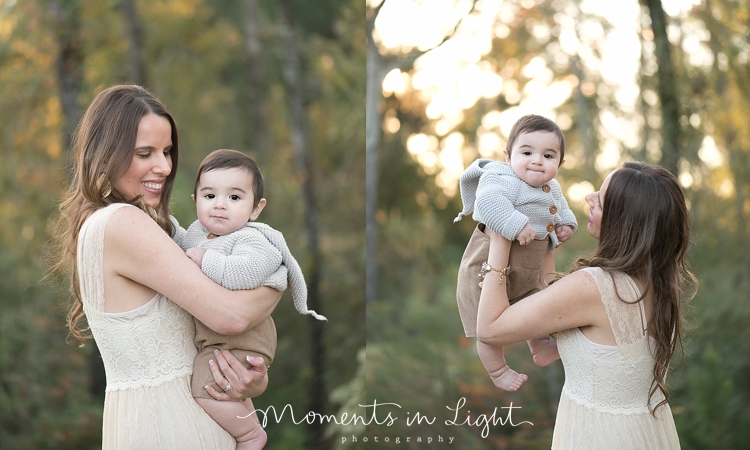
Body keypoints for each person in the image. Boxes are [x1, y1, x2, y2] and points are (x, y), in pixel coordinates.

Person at [50, 84, 284, 449]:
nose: (164, 166)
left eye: (167, 151)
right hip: (163, 426)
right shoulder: (120, 222)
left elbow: (220, 332)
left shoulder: (163, 228)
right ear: (105, 153)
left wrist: (248, 374)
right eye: (145, 153)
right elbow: (231, 316)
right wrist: (278, 276)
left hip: (186, 419)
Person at [476, 161, 693, 449]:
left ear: (622, 221)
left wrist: (500, 236)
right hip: (645, 435)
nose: (589, 197)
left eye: (601, 200)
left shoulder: (594, 286)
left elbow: (490, 330)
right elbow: (550, 302)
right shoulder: (660, 285)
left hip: (598, 438)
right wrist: (545, 235)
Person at [172, 149, 326, 449]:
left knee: (204, 389)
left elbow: (250, 272)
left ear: (256, 208)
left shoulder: (252, 238)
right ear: (195, 201)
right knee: (225, 389)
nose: (219, 205)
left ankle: (249, 435)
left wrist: (207, 262)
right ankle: (246, 427)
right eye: (209, 196)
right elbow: (180, 246)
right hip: (224, 339)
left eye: (234, 198)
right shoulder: (198, 234)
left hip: (245, 338)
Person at [454, 114, 577, 391]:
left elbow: (560, 208)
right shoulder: (501, 178)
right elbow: (488, 203)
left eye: (548, 155)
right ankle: (498, 371)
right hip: (486, 269)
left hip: (528, 270)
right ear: (508, 157)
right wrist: (515, 223)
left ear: (560, 163)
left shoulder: (552, 188)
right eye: (527, 152)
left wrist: (566, 225)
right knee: (486, 330)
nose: (537, 160)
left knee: (536, 308)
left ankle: (541, 346)